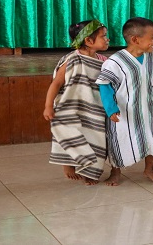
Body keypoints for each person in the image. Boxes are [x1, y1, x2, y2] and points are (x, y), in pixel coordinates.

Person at [96, 17, 153, 185]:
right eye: (152, 37)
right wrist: (111, 109)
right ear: (135, 39)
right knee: (119, 141)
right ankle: (115, 171)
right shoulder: (115, 62)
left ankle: (149, 169)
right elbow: (105, 86)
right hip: (123, 113)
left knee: (152, 139)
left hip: (147, 110)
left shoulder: (151, 57)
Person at [43, 20, 109, 185]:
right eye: (103, 36)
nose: (107, 39)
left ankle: (89, 171)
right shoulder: (72, 59)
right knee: (71, 134)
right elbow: (57, 83)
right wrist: (48, 106)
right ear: (88, 41)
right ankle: (68, 165)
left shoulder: (103, 60)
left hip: (94, 108)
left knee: (93, 136)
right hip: (71, 106)